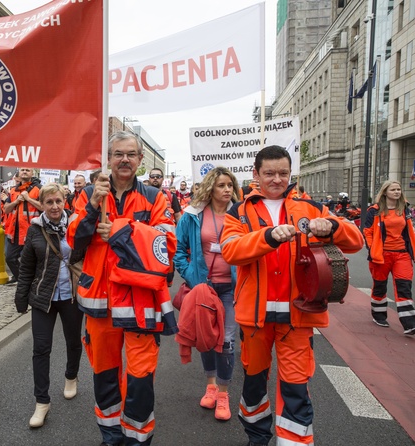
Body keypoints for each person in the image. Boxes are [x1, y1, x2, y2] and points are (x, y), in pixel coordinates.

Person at [220, 145, 363, 446]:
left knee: (296, 387)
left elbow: (356, 241)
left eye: (283, 173)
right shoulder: (239, 211)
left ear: (291, 173)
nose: (276, 179)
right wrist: (268, 237)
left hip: (299, 315)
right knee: (254, 386)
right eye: (269, 173)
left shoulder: (311, 208)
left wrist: (332, 227)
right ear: (255, 174)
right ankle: (256, 438)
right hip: (255, 319)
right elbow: (231, 251)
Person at [67, 131, 176, 446]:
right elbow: (74, 242)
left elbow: (165, 246)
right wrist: (92, 206)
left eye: (131, 154)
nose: (124, 159)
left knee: (141, 377)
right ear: (109, 159)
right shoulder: (89, 193)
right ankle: (111, 436)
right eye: (118, 154)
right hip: (99, 300)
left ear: (141, 160)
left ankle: (138, 438)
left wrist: (119, 230)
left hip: (141, 301)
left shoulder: (156, 198)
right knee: (104, 374)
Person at [15, 182, 85, 428]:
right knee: (41, 348)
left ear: (64, 202)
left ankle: (71, 376)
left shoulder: (76, 224)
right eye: (49, 202)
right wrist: (21, 297)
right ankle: (42, 402)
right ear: (41, 204)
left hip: (71, 296)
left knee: (73, 341)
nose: (54, 206)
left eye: (58, 201)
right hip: (43, 297)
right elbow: (26, 267)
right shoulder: (35, 230)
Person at [173, 166, 240, 421]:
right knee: (206, 337)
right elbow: (179, 252)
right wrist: (193, 277)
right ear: (211, 187)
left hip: (231, 288)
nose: (227, 190)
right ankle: (210, 386)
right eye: (222, 185)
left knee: (227, 341)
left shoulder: (240, 214)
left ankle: (223, 394)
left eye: (230, 185)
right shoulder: (192, 215)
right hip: (204, 287)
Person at [363, 180, 415, 334]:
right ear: (385, 192)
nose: (397, 192)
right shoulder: (374, 210)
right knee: (380, 286)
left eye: (399, 189)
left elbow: (409, 231)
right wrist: (373, 249)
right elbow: (368, 231)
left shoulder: (404, 209)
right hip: (381, 255)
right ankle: (379, 315)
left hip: (402, 254)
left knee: (404, 287)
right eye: (393, 189)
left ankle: (410, 323)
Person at [3, 167, 42, 283]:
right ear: (19, 173)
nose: (24, 172)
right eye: (22, 170)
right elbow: (6, 210)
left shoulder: (38, 189)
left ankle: (28, 283)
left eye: (27, 170)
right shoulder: (13, 190)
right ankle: (24, 280)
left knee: (30, 261)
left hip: (31, 231)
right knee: (10, 257)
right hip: (14, 231)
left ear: (32, 173)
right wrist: (16, 201)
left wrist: (28, 199)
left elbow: (43, 207)